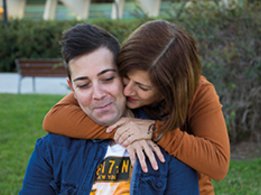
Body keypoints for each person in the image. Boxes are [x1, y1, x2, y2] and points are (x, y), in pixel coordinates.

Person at [43, 20, 230, 194]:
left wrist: (155, 131)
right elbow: (55, 117)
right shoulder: (111, 84)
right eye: (125, 78)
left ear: (168, 89)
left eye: (142, 87)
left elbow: (218, 164)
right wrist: (124, 132)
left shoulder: (199, 92)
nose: (128, 90)